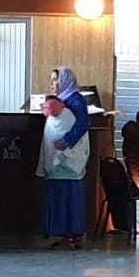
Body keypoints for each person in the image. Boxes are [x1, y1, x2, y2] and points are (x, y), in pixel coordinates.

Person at [36, 68, 92, 249]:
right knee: (58, 196)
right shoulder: (62, 101)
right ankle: (60, 233)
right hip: (58, 159)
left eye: (55, 80)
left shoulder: (75, 100)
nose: (52, 84)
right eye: (51, 80)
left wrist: (67, 141)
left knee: (72, 196)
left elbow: (83, 124)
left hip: (70, 157)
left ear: (65, 81)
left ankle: (74, 234)